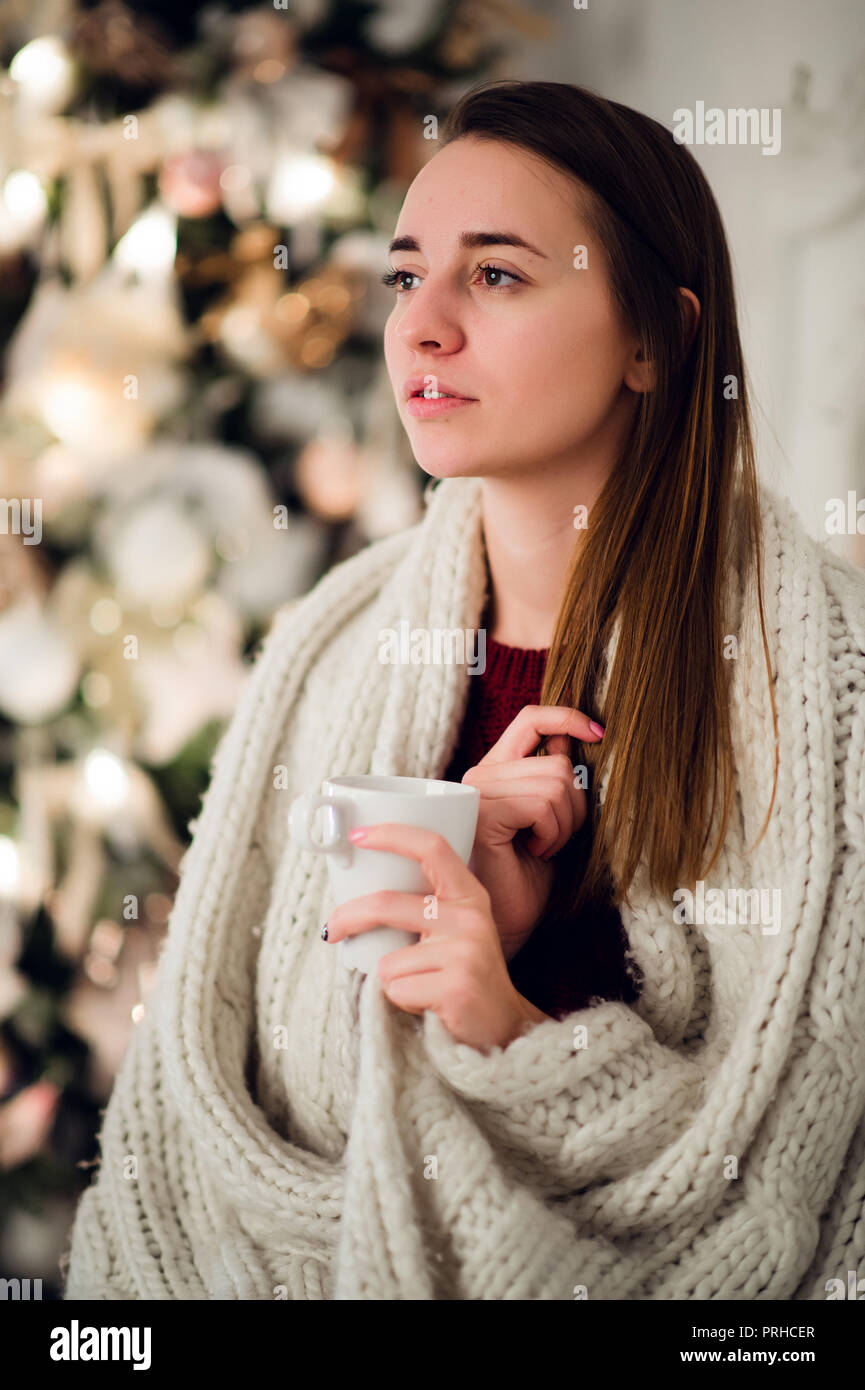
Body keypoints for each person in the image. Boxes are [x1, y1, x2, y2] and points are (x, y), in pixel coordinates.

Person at [62, 80, 865, 1301]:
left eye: (494, 275)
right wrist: (435, 883)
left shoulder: (831, 688)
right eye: (403, 276)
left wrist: (503, 1023)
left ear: (658, 336)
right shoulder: (327, 650)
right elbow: (220, 1098)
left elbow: (783, 1184)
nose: (420, 326)